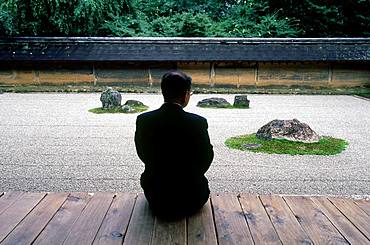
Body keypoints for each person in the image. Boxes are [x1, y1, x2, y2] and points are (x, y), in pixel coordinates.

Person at [134, 71, 214, 220]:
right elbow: (207, 157)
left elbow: (142, 152)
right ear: (186, 95)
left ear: (163, 93)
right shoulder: (197, 122)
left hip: (156, 195)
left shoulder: (144, 120)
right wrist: (191, 174)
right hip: (192, 196)